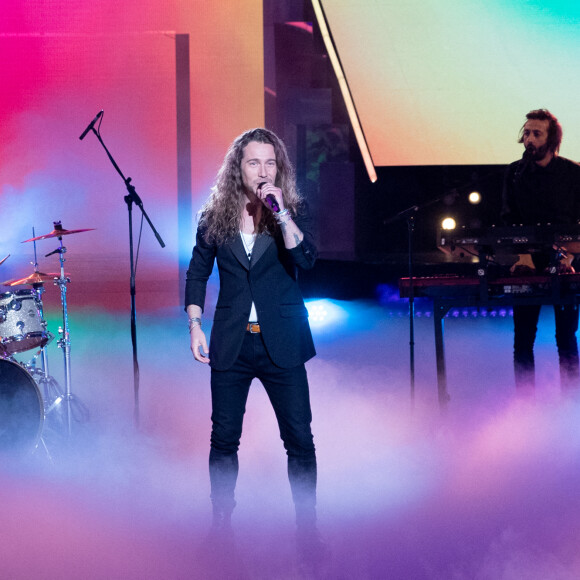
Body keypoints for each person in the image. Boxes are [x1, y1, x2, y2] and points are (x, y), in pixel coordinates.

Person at [185, 128, 321, 552]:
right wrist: (194, 324)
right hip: (232, 342)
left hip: (282, 341)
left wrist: (280, 214)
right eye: (253, 163)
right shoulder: (215, 216)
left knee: (299, 438)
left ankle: (307, 529)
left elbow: (307, 259)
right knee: (223, 439)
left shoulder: (290, 212)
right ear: (237, 168)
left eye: (270, 163)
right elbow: (197, 272)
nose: (262, 171)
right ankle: (220, 525)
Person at [501, 109, 580, 395]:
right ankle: (526, 405)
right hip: (527, 260)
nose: (529, 139)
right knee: (522, 339)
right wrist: (522, 256)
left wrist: (569, 256)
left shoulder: (573, 173)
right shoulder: (514, 172)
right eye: (527, 133)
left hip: (565, 259)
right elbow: (508, 220)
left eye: (536, 133)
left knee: (566, 337)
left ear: (551, 139)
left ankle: (572, 404)